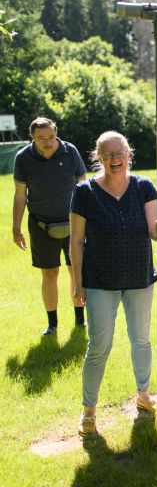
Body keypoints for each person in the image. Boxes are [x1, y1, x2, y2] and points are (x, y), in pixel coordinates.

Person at [70, 131, 157, 436]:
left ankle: (143, 395)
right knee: (99, 345)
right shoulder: (85, 192)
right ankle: (89, 411)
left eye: (120, 153)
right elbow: (76, 241)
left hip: (139, 276)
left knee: (141, 338)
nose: (115, 160)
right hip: (100, 279)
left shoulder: (143, 187)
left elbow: (153, 231)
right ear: (98, 158)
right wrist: (77, 283)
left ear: (129, 154)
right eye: (108, 155)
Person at [12, 117, 87, 335]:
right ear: (32, 137)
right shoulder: (23, 158)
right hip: (41, 225)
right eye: (41, 138)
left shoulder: (70, 151)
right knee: (50, 274)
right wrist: (16, 229)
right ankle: (52, 324)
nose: (47, 143)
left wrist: (90, 220)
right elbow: (20, 196)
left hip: (74, 224)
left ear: (56, 134)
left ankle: (80, 319)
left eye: (51, 137)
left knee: (76, 271)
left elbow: (83, 186)